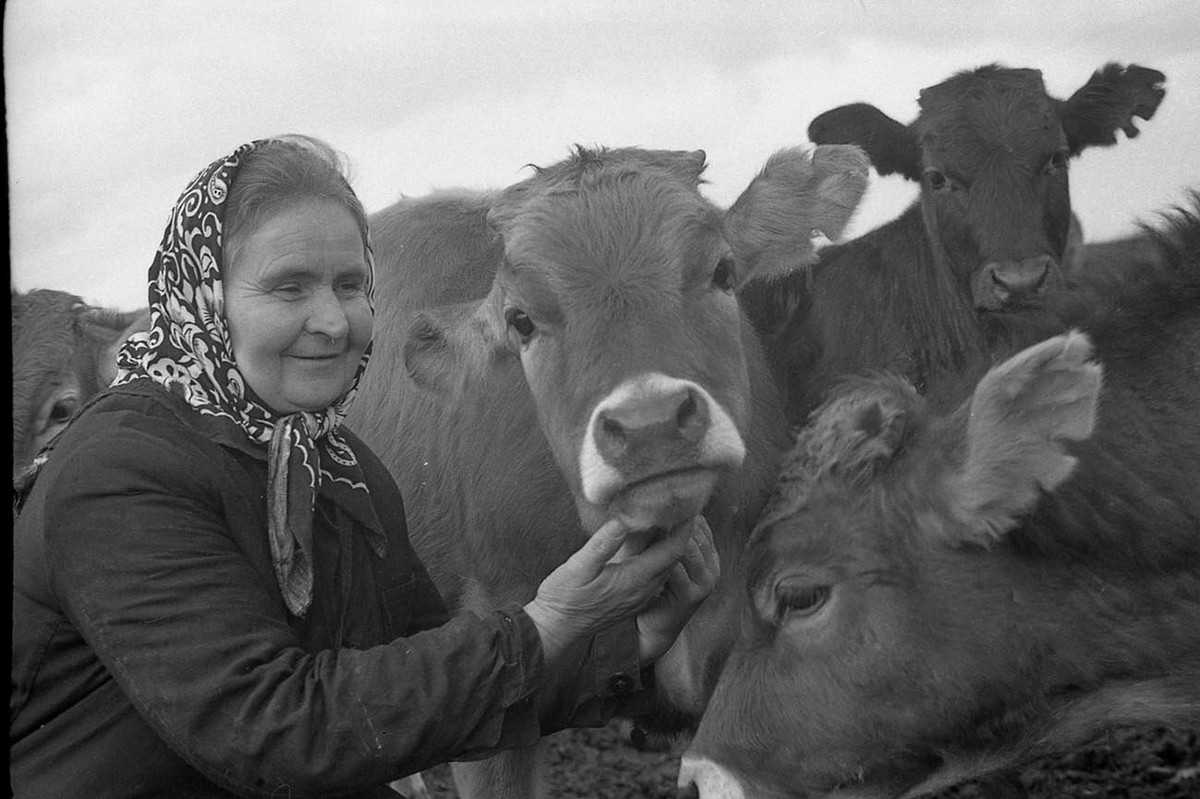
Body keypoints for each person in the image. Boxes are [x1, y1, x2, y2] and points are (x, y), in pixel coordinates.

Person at [10, 135, 720, 798]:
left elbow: (430, 683)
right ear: (205, 301)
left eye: (351, 285)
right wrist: (548, 622)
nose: (333, 320)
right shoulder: (122, 468)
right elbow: (271, 725)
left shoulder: (340, 470)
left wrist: (618, 647)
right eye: (289, 287)